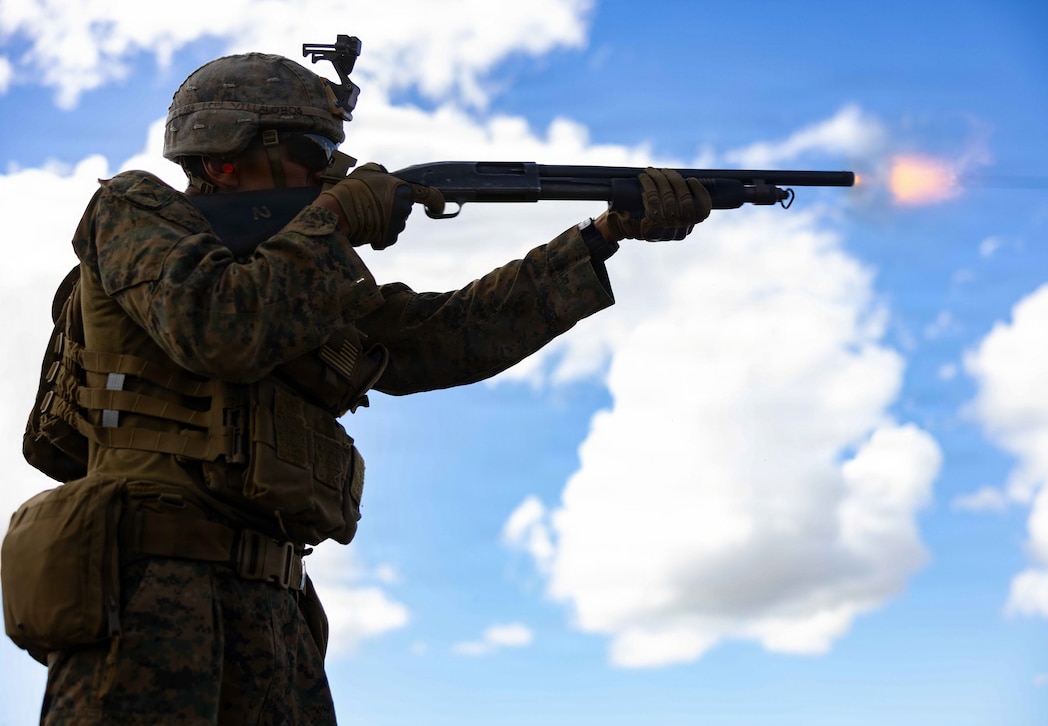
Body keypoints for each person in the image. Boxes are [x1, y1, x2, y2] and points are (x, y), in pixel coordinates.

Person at [8, 47, 711, 724]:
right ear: (226, 157)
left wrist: (602, 234)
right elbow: (219, 324)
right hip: (150, 588)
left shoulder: (301, 272)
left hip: (276, 603)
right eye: (315, 156)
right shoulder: (134, 211)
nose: (332, 175)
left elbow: (441, 338)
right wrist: (336, 221)